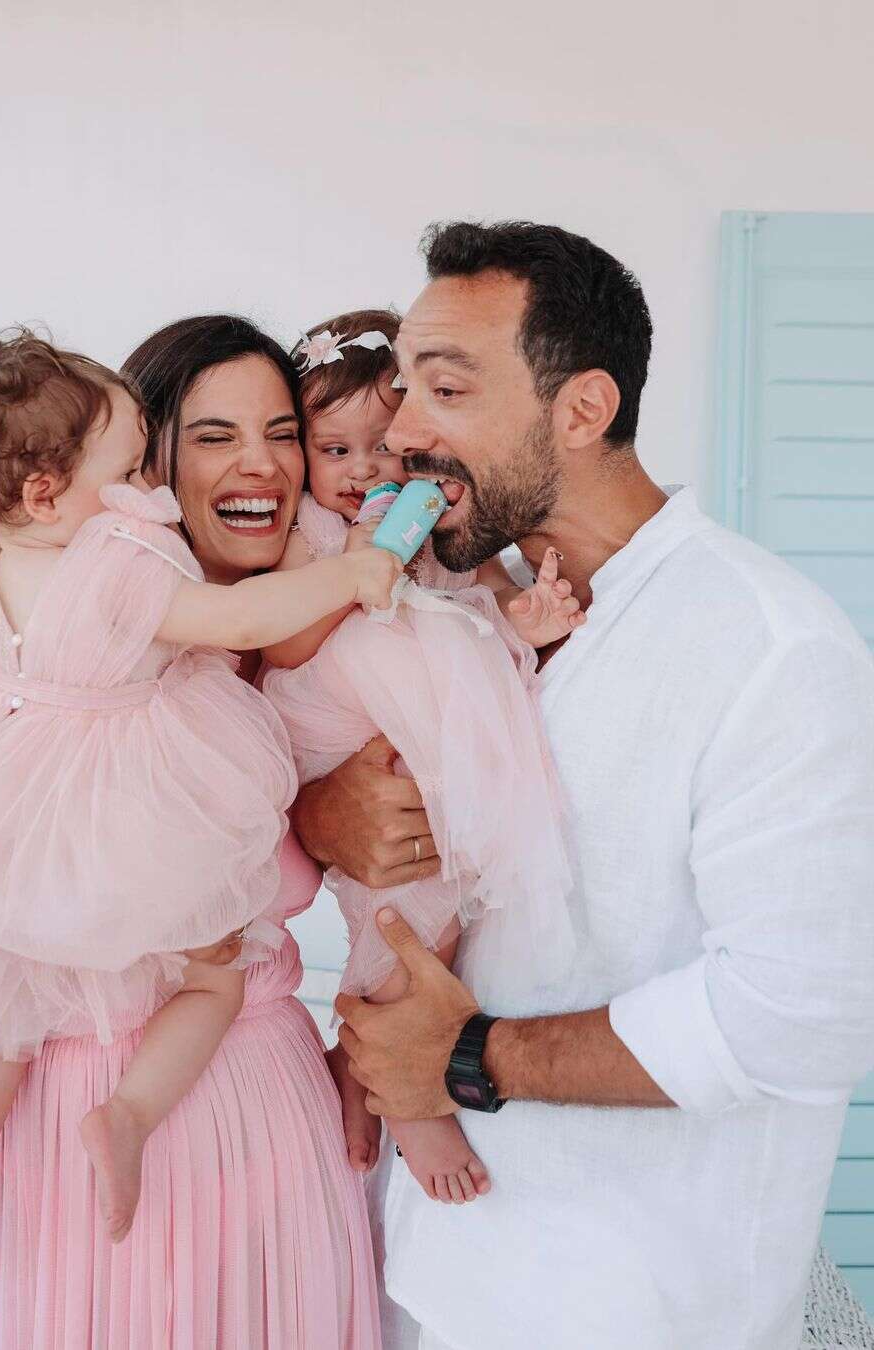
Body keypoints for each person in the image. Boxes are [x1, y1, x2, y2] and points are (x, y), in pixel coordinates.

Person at [296, 222, 874, 1350]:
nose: (399, 432)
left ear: (583, 410)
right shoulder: (462, 613)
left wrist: (470, 1057)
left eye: (445, 390)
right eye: (404, 388)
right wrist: (325, 816)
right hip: (423, 1276)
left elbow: (801, 1020)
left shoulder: (771, 652)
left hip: (622, 1312)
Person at [0, 315, 385, 1350]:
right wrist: (107, 918)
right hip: (56, 1104)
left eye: (283, 433)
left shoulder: (327, 647)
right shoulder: (82, 607)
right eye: (214, 436)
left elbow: (409, 891)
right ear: (152, 458)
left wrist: (370, 1063)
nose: (261, 463)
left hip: (253, 1109)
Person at [262, 307, 581, 1203]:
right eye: (335, 450)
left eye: (384, 447)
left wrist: (530, 619)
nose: (364, 470)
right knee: (404, 904)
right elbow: (282, 645)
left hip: (416, 747)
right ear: (305, 457)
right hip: (336, 723)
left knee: (430, 911)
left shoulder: (443, 526)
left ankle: (363, 1054)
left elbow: (488, 606)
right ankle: (405, 1096)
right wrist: (353, 571)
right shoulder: (313, 536)